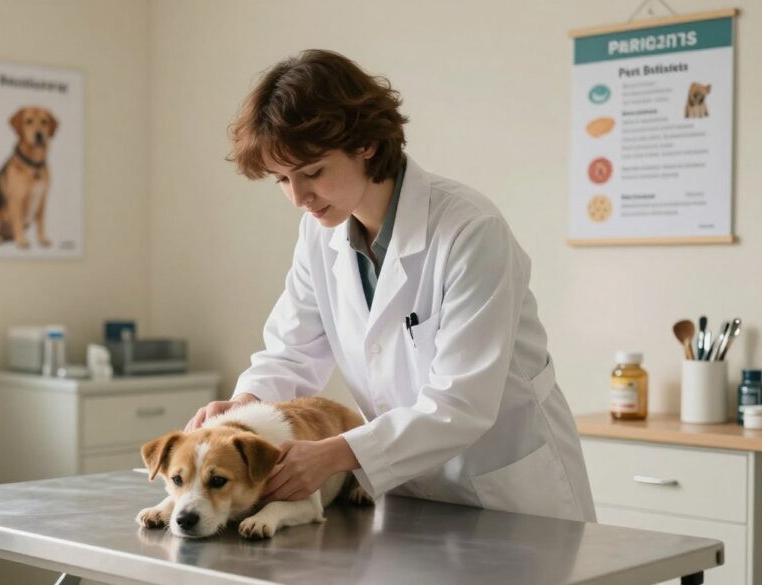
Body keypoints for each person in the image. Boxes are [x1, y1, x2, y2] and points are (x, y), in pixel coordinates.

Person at [185, 49, 595, 522]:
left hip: (507, 491)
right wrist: (241, 408)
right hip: (408, 493)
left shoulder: (470, 230)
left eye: (312, 172)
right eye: (281, 179)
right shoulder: (320, 235)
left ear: (366, 145)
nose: (298, 197)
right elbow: (291, 353)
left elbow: (461, 403)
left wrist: (336, 453)